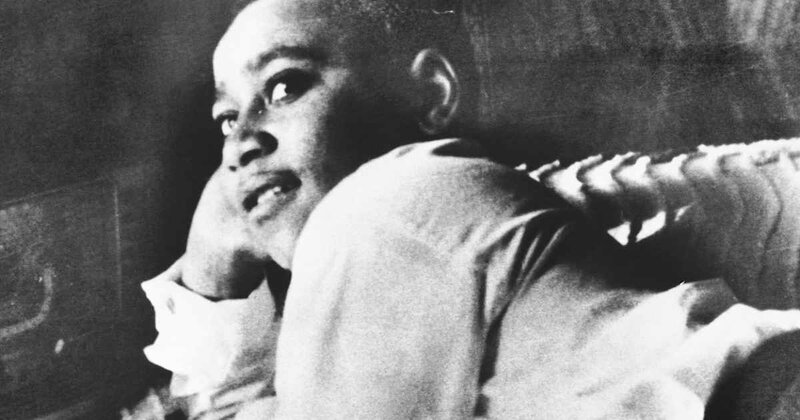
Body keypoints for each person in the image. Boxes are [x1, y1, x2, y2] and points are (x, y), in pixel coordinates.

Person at [140, 0, 800, 418]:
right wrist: (211, 270)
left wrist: (209, 286)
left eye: (285, 85)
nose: (240, 143)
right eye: (226, 118)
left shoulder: (384, 203)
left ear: (430, 96)